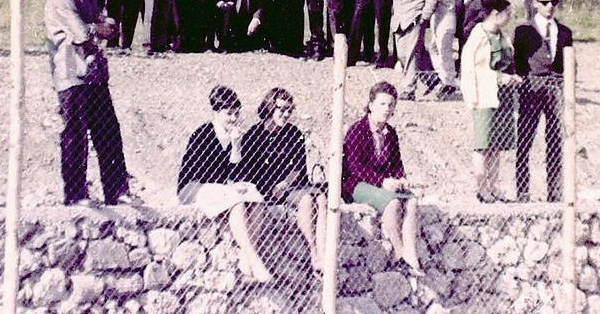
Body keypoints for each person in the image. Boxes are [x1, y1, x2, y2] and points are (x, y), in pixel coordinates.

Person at [45, 0, 134, 207]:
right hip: (72, 77)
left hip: (94, 76)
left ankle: (117, 192)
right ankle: (75, 196)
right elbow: (84, 34)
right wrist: (99, 28)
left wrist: (99, 27)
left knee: (108, 133)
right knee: (75, 136)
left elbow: (107, 26)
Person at [178, 86, 271, 282]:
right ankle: (255, 261)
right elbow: (203, 174)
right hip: (193, 187)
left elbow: (236, 174)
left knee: (254, 194)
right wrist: (230, 185)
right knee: (235, 199)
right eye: (228, 114)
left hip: (218, 188)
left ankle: (247, 256)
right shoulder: (203, 134)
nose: (233, 118)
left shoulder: (234, 136)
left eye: (236, 113)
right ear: (216, 112)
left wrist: (236, 148)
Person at [238, 89, 325, 269]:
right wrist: (271, 187)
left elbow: (299, 167)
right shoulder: (253, 136)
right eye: (282, 109)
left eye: (289, 110)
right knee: (308, 200)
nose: (286, 114)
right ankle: (313, 250)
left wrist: (285, 183)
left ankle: (323, 253)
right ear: (270, 107)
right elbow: (248, 172)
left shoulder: (293, 133)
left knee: (322, 199)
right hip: (265, 190)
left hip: (289, 187)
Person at [342, 81, 421, 271]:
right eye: (382, 104)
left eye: (391, 105)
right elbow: (354, 167)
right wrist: (383, 182)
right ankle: (399, 251)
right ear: (371, 105)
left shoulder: (390, 133)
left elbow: (396, 163)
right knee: (393, 203)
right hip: (356, 184)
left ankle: (410, 250)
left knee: (412, 201)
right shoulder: (357, 130)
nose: (386, 109)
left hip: (382, 184)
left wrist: (401, 179)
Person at [512, 0, 572, 202]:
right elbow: (517, 62)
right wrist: (524, 85)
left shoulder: (564, 32)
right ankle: (523, 192)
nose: (549, 7)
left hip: (555, 89)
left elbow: (568, 63)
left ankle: (554, 193)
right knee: (525, 141)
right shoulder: (524, 30)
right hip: (531, 88)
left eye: (553, 2)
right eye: (545, 2)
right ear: (535, 3)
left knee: (555, 140)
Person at [461, 0, 519, 202]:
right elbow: (471, 69)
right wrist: (497, 78)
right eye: (507, 13)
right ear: (495, 13)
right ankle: (481, 187)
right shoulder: (479, 35)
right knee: (483, 144)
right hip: (485, 96)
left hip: (503, 97)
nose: (509, 18)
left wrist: (511, 77)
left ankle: (494, 186)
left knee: (497, 145)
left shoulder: (502, 35)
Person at [391, 0, 436, 101]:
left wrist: (424, 17)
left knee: (411, 54)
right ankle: (432, 79)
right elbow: (396, 0)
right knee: (403, 55)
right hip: (399, 22)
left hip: (415, 20)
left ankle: (409, 89)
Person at [427, 0, 460, 98]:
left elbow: (433, 0)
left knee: (443, 51)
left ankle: (449, 82)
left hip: (445, 21)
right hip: (443, 20)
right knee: (435, 48)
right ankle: (443, 77)